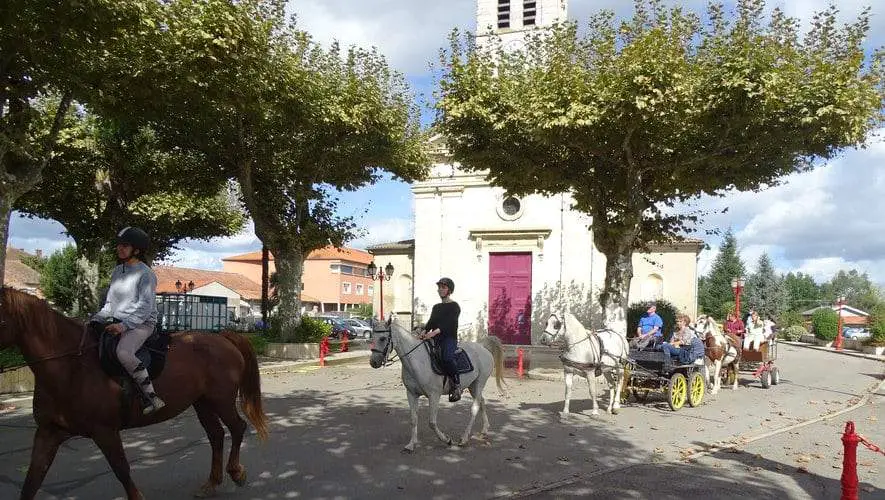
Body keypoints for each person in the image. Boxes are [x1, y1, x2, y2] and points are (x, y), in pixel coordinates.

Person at [91, 227, 164, 415]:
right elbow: (110, 304)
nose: (120, 248)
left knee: (123, 352)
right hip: (117, 321)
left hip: (142, 324)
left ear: (137, 250)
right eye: (119, 245)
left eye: (125, 246)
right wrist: (96, 319)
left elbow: (145, 307)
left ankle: (151, 397)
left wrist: (124, 326)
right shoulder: (117, 271)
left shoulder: (146, 274)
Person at [417, 277, 462, 402]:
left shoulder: (454, 306)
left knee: (447, 358)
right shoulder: (436, 307)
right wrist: (424, 331)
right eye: (439, 287)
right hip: (435, 338)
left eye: (443, 287)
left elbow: (449, 324)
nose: (440, 290)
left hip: (449, 338)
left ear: (449, 290)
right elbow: (432, 322)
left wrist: (433, 333)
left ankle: (456, 385)